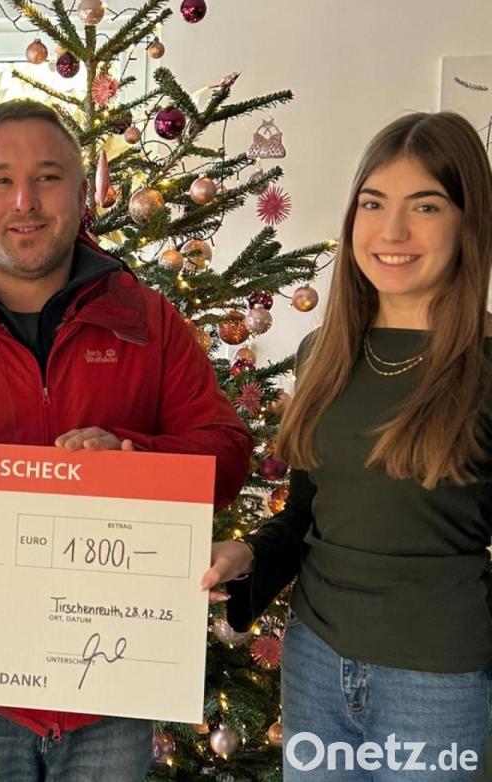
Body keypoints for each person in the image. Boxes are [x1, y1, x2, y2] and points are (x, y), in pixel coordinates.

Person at [0, 99, 253, 782]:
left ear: (83, 194)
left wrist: (133, 459)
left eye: (49, 177)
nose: (25, 201)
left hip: (110, 685)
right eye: (0, 180)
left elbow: (228, 455)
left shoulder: (147, 321)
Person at [201, 112, 492, 781]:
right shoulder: (322, 352)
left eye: (425, 206)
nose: (392, 232)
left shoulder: (485, 364)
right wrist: (247, 555)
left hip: (438, 681)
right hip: (316, 664)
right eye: (373, 203)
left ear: (468, 222)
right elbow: (308, 515)